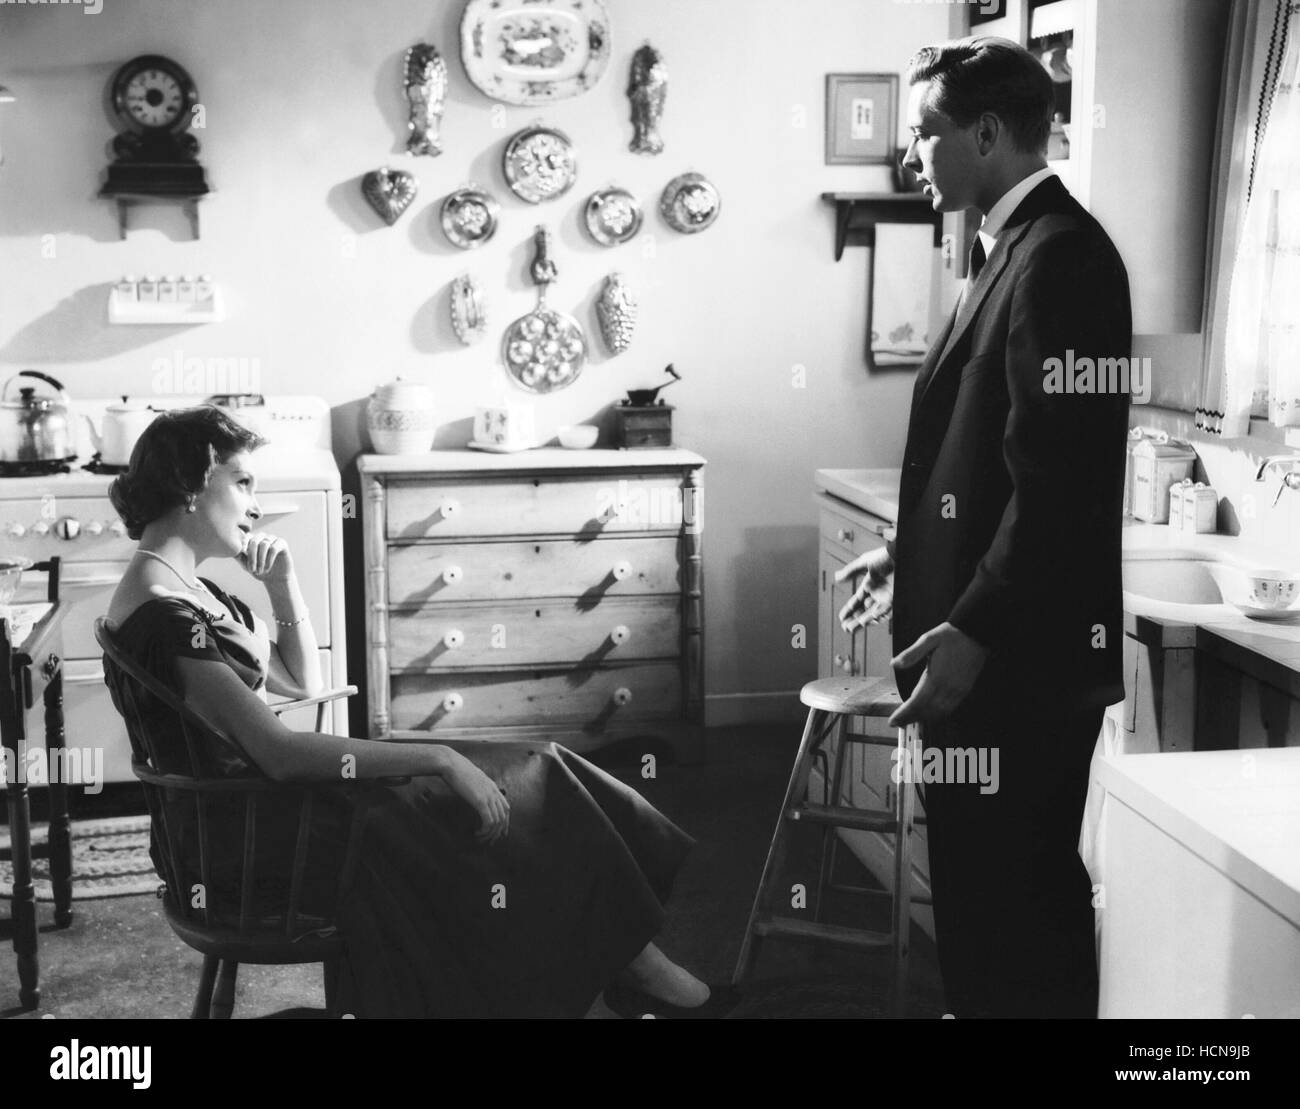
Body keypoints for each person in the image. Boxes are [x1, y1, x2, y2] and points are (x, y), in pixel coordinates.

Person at [102, 404, 736, 1019]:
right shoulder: (165, 614)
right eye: (242, 483)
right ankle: (635, 969)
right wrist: (437, 756)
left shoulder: (188, 590)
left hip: (266, 806)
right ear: (190, 486)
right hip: (255, 833)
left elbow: (303, 681)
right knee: (492, 789)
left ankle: (635, 964)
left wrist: (281, 585)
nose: (256, 503)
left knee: (534, 765)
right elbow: (282, 752)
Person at [836, 37, 1131, 1018]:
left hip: (1017, 664)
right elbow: (993, 464)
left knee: (1020, 893)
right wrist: (905, 547)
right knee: (970, 883)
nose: (913, 155)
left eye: (926, 132)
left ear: (989, 134)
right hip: (975, 643)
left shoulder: (1064, 257)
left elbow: (1060, 484)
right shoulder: (1004, 248)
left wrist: (975, 627)